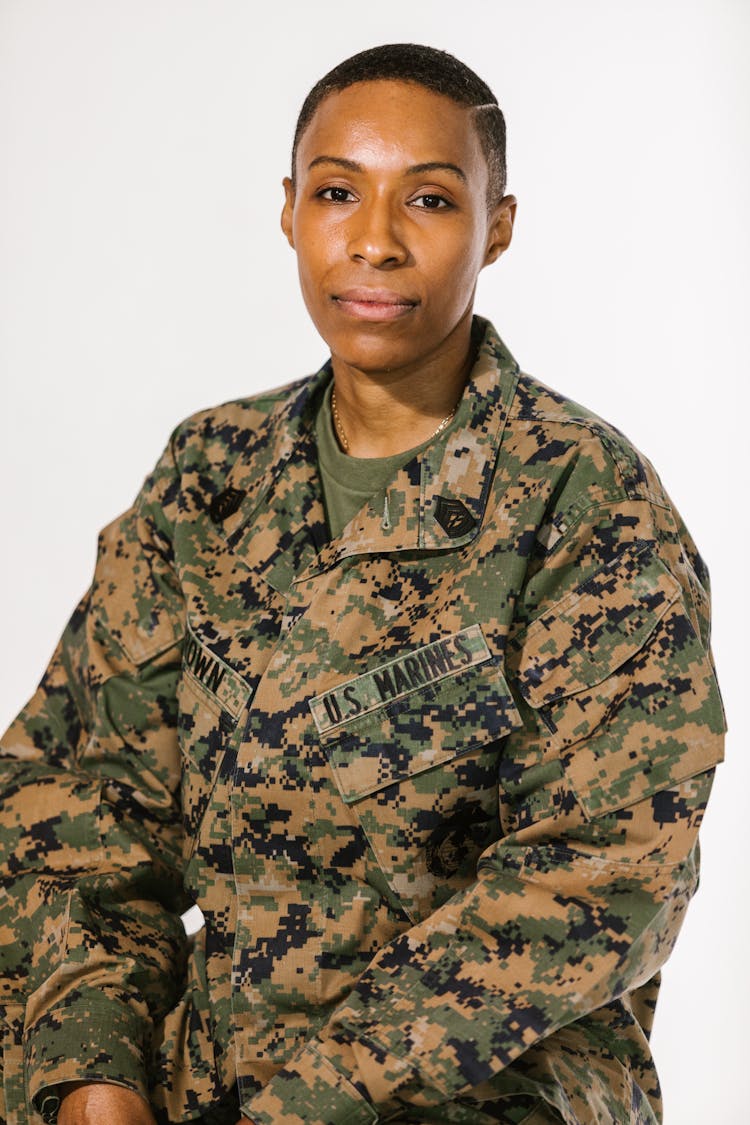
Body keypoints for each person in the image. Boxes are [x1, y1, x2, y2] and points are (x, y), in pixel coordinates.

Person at [0, 42, 725, 1125]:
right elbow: (77, 801)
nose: (375, 241)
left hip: (478, 1095)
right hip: (204, 1080)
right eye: (339, 192)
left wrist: (305, 1106)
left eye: (429, 200)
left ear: (501, 226)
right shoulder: (212, 475)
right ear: (290, 212)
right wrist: (95, 1076)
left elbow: (604, 879)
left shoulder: (585, 503)